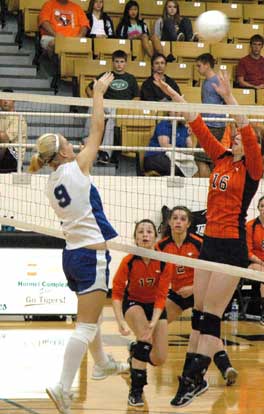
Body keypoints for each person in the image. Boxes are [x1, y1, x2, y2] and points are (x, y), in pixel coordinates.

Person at [153, 71, 263, 407]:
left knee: (211, 315)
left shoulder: (253, 168)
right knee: (199, 314)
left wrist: (230, 99)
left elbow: (245, 127)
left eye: (240, 138)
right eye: (233, 137)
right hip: (209, 243)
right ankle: (193, 381)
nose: (234, 139)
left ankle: (191, 379)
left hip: (232, 247)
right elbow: (198, 126)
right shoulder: (221, 158)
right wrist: (176, 97)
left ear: (251, 144)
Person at [28, 73, 129, 414]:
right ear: (60, 153)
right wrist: (98, 94)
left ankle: (101, 364)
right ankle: (62, 385)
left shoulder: (51, 182)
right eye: (66, 143)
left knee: (90, 317)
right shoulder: (74, 169)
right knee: (85, 325)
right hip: (89, 256)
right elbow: (97, 129)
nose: (74, 145)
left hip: (72, 254)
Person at [156, 206, 237, 386]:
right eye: (175, 218)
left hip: (199, 292)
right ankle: (139, 351)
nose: (178, 222)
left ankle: (223, 368)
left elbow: (211, 273)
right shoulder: (161, 246)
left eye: (183, 219)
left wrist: (193, 288)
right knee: (156, 323)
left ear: (189, 224)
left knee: (202, 329)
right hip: (177, 294)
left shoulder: (199, 244)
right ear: (169, 222)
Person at [112, 219, 171, 407]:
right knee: (145, 338)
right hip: (133, 303)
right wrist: (120, 321)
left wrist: (155, 321)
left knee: (159, 358)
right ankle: (135, 391)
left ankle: (134, 351)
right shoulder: (128, 261)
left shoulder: (164, 262)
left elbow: (162, 296)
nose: (145, 235)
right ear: (135, 238)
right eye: (140, 232)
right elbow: (117, 292)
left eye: (149, 232)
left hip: (155, 306)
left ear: (155, 237)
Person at [85, 50, 139, 164]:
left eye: (122, 61)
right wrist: (95, 100)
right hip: (105, 104)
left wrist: (127, 106)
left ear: (126, 63)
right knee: (92, 109)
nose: (119, 64)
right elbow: (88, 89)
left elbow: (137, 98)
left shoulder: (131, 78)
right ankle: (86, 144)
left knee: (112, 118)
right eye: (117, 61)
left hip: (122, 108)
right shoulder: (105, 76)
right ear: (112, 62)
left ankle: (105, 152)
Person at [195, 53, 227, 177]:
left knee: (200, 158)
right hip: (207, 124)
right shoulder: (205, 82)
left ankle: (205, 188)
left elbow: (226, 101)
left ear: (207, 65)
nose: (197, 69)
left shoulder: (218, 81)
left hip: (215, 125)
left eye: (199, 66)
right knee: (208, 160)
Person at [0, 88, 27, 173]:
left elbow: (4, 138)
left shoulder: (19, 118)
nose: (5, 101)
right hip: (2, 152)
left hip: (14, 156)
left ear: (13, 101)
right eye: (3, 98)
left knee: (4, 141)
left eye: (8, 98)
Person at [246, 195, 264, 325]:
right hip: (254, 262)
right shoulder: (251, 225)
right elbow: (248, 252)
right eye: (262, 206)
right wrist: (262, 262)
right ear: (258, 208)